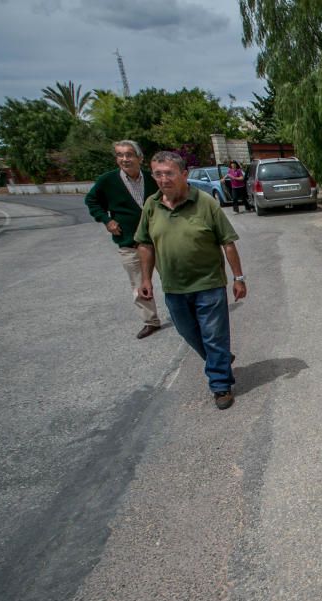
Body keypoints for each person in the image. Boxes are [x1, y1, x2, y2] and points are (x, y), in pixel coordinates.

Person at [136, 151, 247, 410]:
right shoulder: (152, 206)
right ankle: (219, 358)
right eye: (158, 174)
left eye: (169, 173)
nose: (164, 179)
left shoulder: (205, 203)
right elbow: (144, 244)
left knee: (213, 335)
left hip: (209, 283)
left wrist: (238, 278)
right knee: (189, 333)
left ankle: (220, 385)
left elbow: (227, 243)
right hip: (174, 287)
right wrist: (145, 278)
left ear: (184, 174)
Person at [85, 140, 162, 339]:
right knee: (138, 283)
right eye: (120, 155)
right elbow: (91, 201)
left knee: (172, 278)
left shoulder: (152, 178)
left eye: (129, 154)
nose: (124, 159)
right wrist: (106, 220)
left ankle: (183, 314)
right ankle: (150, 320)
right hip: (130, 243)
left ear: (140, 158)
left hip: (159, 241)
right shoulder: (107, 181)